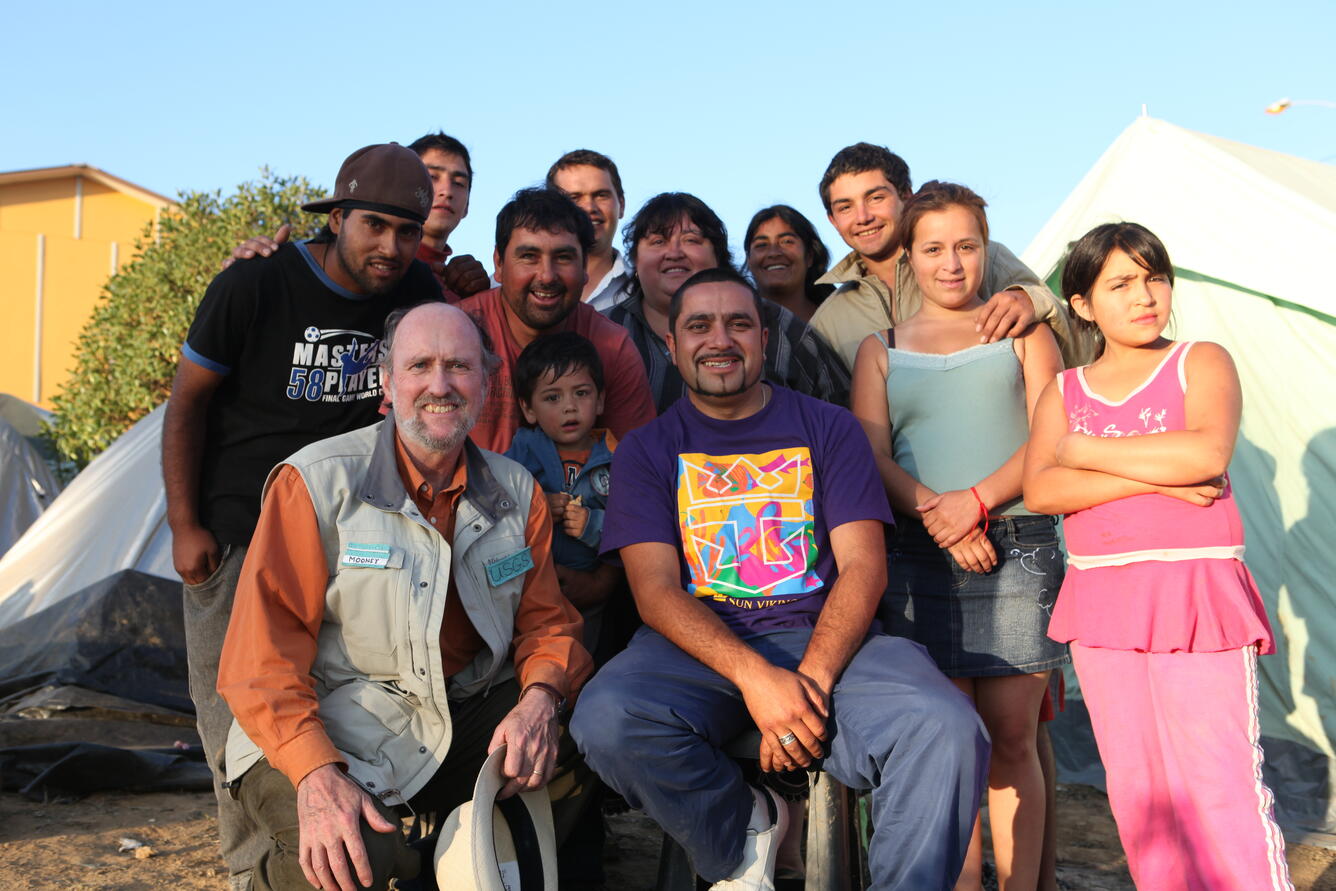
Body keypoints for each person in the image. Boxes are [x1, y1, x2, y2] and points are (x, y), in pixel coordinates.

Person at [573, 266, 989, 889]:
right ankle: (743, 836)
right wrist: (757, 679)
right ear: (671, 345)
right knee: (605, 718)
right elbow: (654, 591)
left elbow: (863, 567)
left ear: (765, 339)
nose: (720, 339)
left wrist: (809, 683)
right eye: (699, 326)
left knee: (948, 726)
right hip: (697, 648)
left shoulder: (829, 426)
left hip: (829, 641)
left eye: (739, 323)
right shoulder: (648, 448)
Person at [217, 301, 594, 891]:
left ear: (486, 381)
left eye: (459, 367)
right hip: (325, 722)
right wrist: (316, 774)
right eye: (419, 366)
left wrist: (540, 700)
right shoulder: (315, 483)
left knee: (585, 732)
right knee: (352, 856)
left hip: (454, 712)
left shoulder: (516, 491)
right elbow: (259, 666)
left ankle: (445, 862)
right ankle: (293, 873)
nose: (439, 386)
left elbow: (547, 623)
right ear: (387, 384)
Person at [162, 143, 442, 890]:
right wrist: (183, 523)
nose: (390, 246)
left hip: (340, 543)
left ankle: (300, 848)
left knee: (311, 703)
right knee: (232, 720)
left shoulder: (414, 287)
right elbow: (186, 401)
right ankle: (247, 869)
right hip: (236, 533)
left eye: (407, 230)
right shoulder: (256, 282)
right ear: (337, 217)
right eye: (374, 225)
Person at [1023, 223, 1291, 889]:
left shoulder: (1200, 360)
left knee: (1220, 781)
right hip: (1102, 603)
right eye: (1121, 283)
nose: (1144, 295)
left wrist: (1084, 452)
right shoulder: (1066, 390)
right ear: (1082, 302)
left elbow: (1204, 455)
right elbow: (1042, 487)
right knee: (1140, 791)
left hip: (1196, 593)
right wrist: (1149, 472)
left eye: (1154, 277)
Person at [850, 182, 1066, 890]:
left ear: (986, 247)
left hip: (1017, 543)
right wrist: (942, 518)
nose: (953, 263)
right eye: (934, 248)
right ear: (908, 257)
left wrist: (975, 501)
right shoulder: (878, 350)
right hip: (919, 551)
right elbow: (871, 458)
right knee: (949, 741)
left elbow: (1051, 438)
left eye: (967, 246)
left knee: (1012, 734)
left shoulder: (1024, 332)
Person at [809, 142, 1084, 372]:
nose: (863, 217)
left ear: (906, 195)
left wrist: (1031, 300)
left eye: (875, 198)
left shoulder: (984, 258)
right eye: (845, 207)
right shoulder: (827, 321)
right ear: (832, 220)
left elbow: (1074, 341)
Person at [605, 192, 850, 412]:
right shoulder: (605, 333)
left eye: (691, 240)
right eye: (658, 241)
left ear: (719, 256)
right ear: (635, 260)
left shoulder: (781, 328)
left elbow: (842, 418)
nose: (674, 253)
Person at [458, 187, 656, 454]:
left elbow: (638, 465)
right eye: (529, 256)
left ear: (585, 267)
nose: (547, 276)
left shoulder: (612, 346)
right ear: (499, 263)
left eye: (563, 257)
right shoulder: (455, 332)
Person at [226, 132, 490, 301]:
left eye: (459, 182)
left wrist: (478, 300)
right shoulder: (294, 271)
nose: (445, 191)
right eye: (431, 177)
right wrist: (251, 273)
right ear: (337, 219)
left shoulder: (455, 286)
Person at [504, 331, 620, 654]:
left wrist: (592, 525)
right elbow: (498, 505)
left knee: (582, 657)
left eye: (581, 393)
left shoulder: (616, 459)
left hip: (587, 594)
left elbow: (628, 534)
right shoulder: (524, 448)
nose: (569, 407)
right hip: (525, 585)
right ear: (528, 409)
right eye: (552, 398)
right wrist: (537, 505)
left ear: (600, 400)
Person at [546, 149, 632, 311]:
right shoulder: (505, 286)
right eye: (574, 198)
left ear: (621, 205)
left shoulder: (644, 290)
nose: (589, 208)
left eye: (601, 195)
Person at [743, 204, 834, 323]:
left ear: (810, 256)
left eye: (786, 242)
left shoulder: (838, 318)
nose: (773, 253)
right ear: (749, 259)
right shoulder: (738, 320)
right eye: (761, 245)